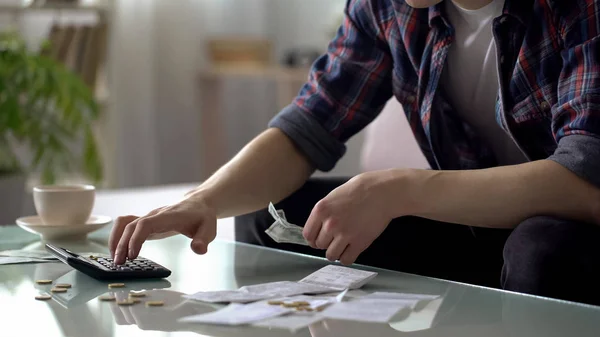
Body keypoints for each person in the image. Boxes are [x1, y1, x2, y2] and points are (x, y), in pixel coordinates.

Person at [109, 0, 600, 305]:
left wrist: (400, 188)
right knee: (274, 215)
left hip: (573, 234)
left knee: (539, 249)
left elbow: (586, 181)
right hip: (475, 235)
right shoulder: (388, 8)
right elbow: (307, 126)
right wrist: (204, 200)